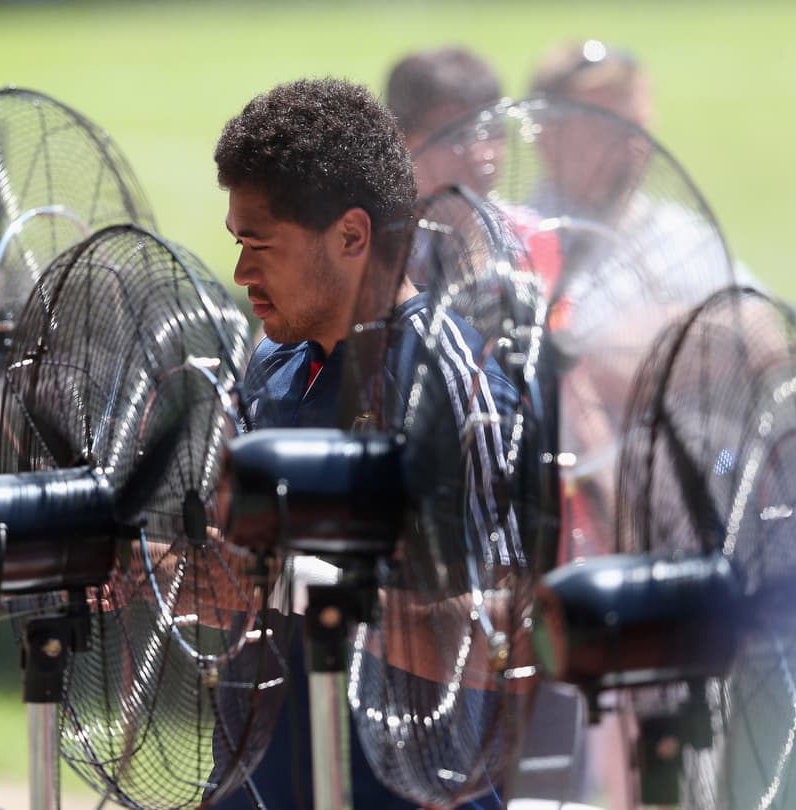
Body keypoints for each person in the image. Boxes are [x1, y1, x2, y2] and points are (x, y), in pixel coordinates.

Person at [213, 77, 520, 809]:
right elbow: (249, 586)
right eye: (237, 245)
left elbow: (499, 639)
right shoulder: (272, 364)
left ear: (352, 236)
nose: (242, 273)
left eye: (261, 246)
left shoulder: (452, 387)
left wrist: (311, 591)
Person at [385, 46, 505, 199]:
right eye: (456, 136)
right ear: (400, 140)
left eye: (491, 131)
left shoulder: (525, 223)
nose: (480, 154)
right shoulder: (363, 222)